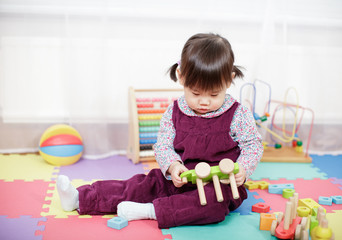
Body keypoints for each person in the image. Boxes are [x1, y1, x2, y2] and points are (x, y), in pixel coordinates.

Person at [56, 33, 263, 229]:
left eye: (214, 94)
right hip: (179, 179)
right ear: (181, 77)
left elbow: (252, 144)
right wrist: (173, 167)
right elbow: (163, 144)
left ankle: (151, 210)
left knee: (213, 204)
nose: (204, 101)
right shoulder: (173, 111)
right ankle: (80, 198)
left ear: (229, 80)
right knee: (140, 185)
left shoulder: (238, 114)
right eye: (196, 92)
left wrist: (242, 168)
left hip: (219, 184)